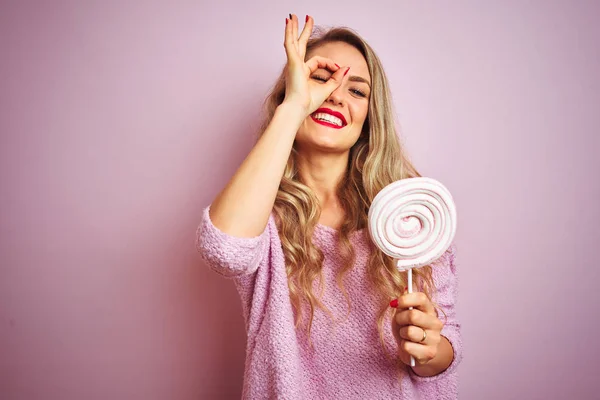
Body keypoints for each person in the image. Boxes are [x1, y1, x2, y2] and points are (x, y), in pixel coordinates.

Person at [196, 14, 462, 400]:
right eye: (321, 79)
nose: (335, 95)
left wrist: (427, 347)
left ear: (371, 117)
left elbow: (444, 350)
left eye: (357, 91)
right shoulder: (261, 213)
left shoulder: (410, 215)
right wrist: (295, 107)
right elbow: (223, 250)